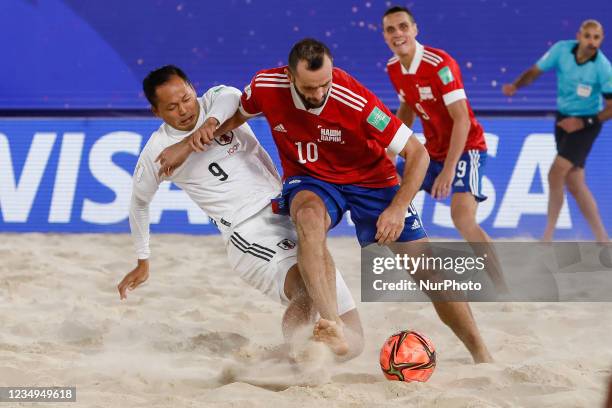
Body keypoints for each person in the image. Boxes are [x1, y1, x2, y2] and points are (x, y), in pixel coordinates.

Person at [157, 40, 493, 363]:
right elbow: (236, 115)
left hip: (371, 181)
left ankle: (481, 352)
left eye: (325, 84)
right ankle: (332, 325)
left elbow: (416, 154)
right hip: (313, 179)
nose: (319, 94)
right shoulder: (266, 86)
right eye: (309, 88)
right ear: (290, 76)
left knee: (429, 271)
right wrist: (188, 145)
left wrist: (397, 208)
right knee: (307, 216)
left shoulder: (354, 99)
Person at [116, 65, 364, 360]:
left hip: (289, 212)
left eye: (185, 98)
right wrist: (143, 259)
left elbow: (233, 96)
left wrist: (192, 140)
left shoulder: (218, 99)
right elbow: (139, 203)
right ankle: (296, 355)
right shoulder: (157, 151)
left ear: (193, 88)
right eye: (171, 107)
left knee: (354, 343)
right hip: (248, 230)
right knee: (307, 289)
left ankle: (268, 357)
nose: (184, 109)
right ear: (157, 113)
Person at [381, 6, 508, 294]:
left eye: (403, 27)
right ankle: (416, 271)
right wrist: (391, 151)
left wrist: (448, 171)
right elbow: (407, 109)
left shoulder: (440, 64)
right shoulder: (392, 67)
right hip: (432, 150)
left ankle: (502, 287)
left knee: (462, 217)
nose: (397, 34)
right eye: (391, 29)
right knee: (385, 187)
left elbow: (461, 119)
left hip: (467, 148)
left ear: (415, 30)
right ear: (385, 36)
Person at [503, 19, 612, 242]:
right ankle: (603, 239)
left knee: (556, 172)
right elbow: (535, 71)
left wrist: (582, 123)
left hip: (586, 124)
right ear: (579, 36)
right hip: (563, 120)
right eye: (588, 36)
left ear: (601, 40)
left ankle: (548, 238)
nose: (592, 41)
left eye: (597, 37)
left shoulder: (603, 67)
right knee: (575, 184)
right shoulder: (561, 50)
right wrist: (516, 85)